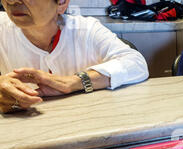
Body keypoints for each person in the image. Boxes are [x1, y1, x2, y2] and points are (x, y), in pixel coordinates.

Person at [0, 0, 149, 114]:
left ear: (62, 2)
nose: (12, 1)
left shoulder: (86, 30)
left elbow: (136, 64)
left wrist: (74, 82)